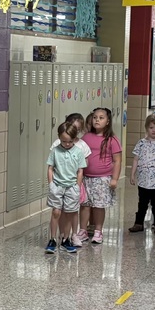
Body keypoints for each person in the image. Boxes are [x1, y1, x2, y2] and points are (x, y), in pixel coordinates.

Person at [78, 107, 123, 244]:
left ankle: (98, 231)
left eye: (101, 118)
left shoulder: (111, 139)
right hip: (86, 177)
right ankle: (83, 230)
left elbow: (117, 160)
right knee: (85, 204)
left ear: (108, 121)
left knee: (98, 205)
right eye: (95, 117)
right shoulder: (86, 137)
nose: (97, 120)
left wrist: (114, 178)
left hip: (102, 178)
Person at [45, 121, 87, 254]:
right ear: (59, 138)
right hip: (57, 186)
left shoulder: (78, 152)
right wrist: (51, 184)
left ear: (74, 139)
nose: (67, 144)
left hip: (71, 187)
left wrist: (77, 186)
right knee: (56, 212)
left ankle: (65, 239)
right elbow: (50, 168)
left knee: (69, 213)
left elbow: (80, 170)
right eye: (63, 141)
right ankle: (52, 239)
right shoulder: (55, 151)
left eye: (69, 141)